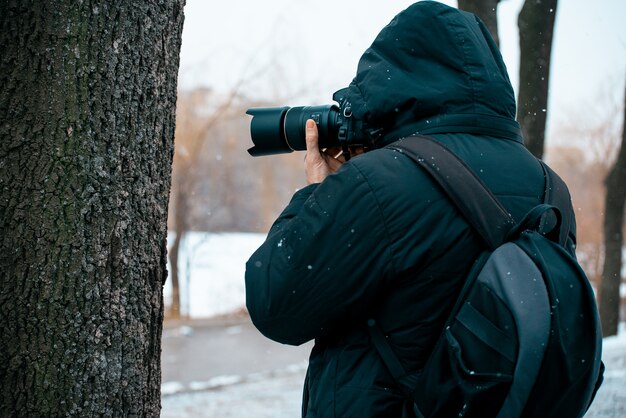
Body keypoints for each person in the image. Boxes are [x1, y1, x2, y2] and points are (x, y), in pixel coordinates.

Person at [245, 1, 576, 417]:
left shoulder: (382, 182)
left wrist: (318, 194)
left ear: (391, 83)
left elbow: (275, 302)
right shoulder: (550, 187)